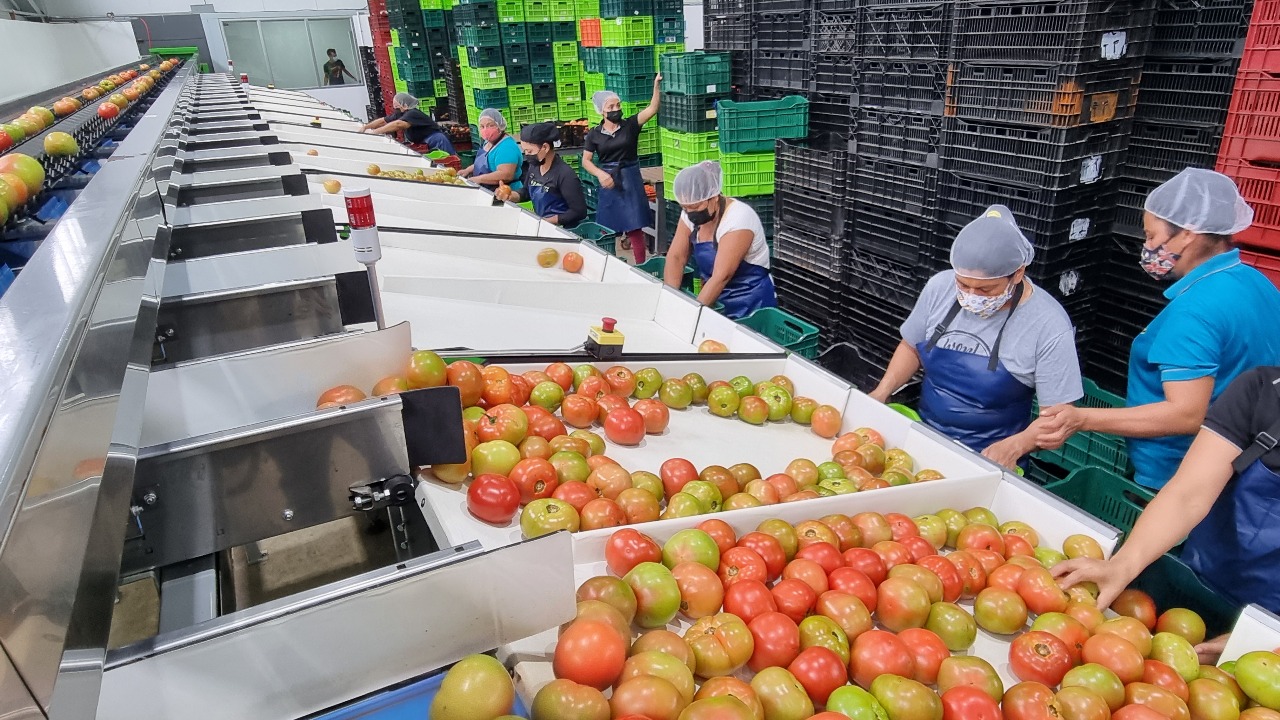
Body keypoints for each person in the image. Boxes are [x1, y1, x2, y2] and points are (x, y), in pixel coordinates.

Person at [1038, 168, 1280, 489]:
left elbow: (1185, 414)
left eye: (1152, 236)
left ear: (1188, 234)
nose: (1147, 245)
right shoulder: (1257, 283)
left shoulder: (1194, 311)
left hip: (1178, 472)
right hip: (1243, 454)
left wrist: (1083, 418)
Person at [1053, 365, 1280, 663]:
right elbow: (1188, 494)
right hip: (1200, 583)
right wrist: (1124, 564)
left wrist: (1266, 638)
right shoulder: (1264, 391)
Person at [869, 205, 1084, 468]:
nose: (971, 295)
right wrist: (882, 393)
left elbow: (1058, 418)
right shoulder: (940, 287)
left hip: (990, 459)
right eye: (963, 284)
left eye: (986, 289)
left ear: (1018, 273)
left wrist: (1017, 445)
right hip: (922, 441)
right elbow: (911, 346)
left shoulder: (1048, 323)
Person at [661, 161, 777, 319]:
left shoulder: (738, 219)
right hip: (716, 299)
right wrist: (670, 299)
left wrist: (692, 316)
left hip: (750, 304)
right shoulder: (689, 211)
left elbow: (721, 276)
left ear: (714, 197)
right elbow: (676, 256)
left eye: (695, 208)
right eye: (685, 208)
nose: (690, 213)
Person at [582, 77, 661, 265]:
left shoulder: (631, 126)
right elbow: (586, 161)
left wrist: (656, 86)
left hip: (630, 178)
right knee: (606, 227)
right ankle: (608, 263)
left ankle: (641, 265)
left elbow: (652, 109)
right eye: (610, 107)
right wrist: (601, 174)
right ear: (601, 111)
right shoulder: (594, 134)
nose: (616, 110)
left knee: (635, 226)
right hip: (608, 180)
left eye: (618, 105)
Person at [494, 122, 587, 228]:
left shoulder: (565, 175)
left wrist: (549, 221)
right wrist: (511, 196)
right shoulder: (534, 167)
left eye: (529, 151)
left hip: (563, 230)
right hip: (542, 225)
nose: (527, 155)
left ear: (545, 147)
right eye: (525, 151)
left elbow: (579, 211)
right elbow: (526, 192)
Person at [360, 93, 456, 155]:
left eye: (397, 106)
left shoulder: (413, 113)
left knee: (448, 163)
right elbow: (383, 121)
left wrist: (375, 132)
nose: (395, 108)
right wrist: (366, 127)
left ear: (405, 105)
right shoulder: (401, 113)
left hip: (436, 141)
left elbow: (398, 124)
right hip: (424, 142)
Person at [459, 108, 522, 193]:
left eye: (490, 125)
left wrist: (479, 179)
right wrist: (467, 170)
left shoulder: (507, 148)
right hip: (487, 190)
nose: (485, 129)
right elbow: (484, 163)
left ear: (500, 126)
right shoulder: (488, 142)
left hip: (505, 193)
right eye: (482, 126)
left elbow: (506, 175)